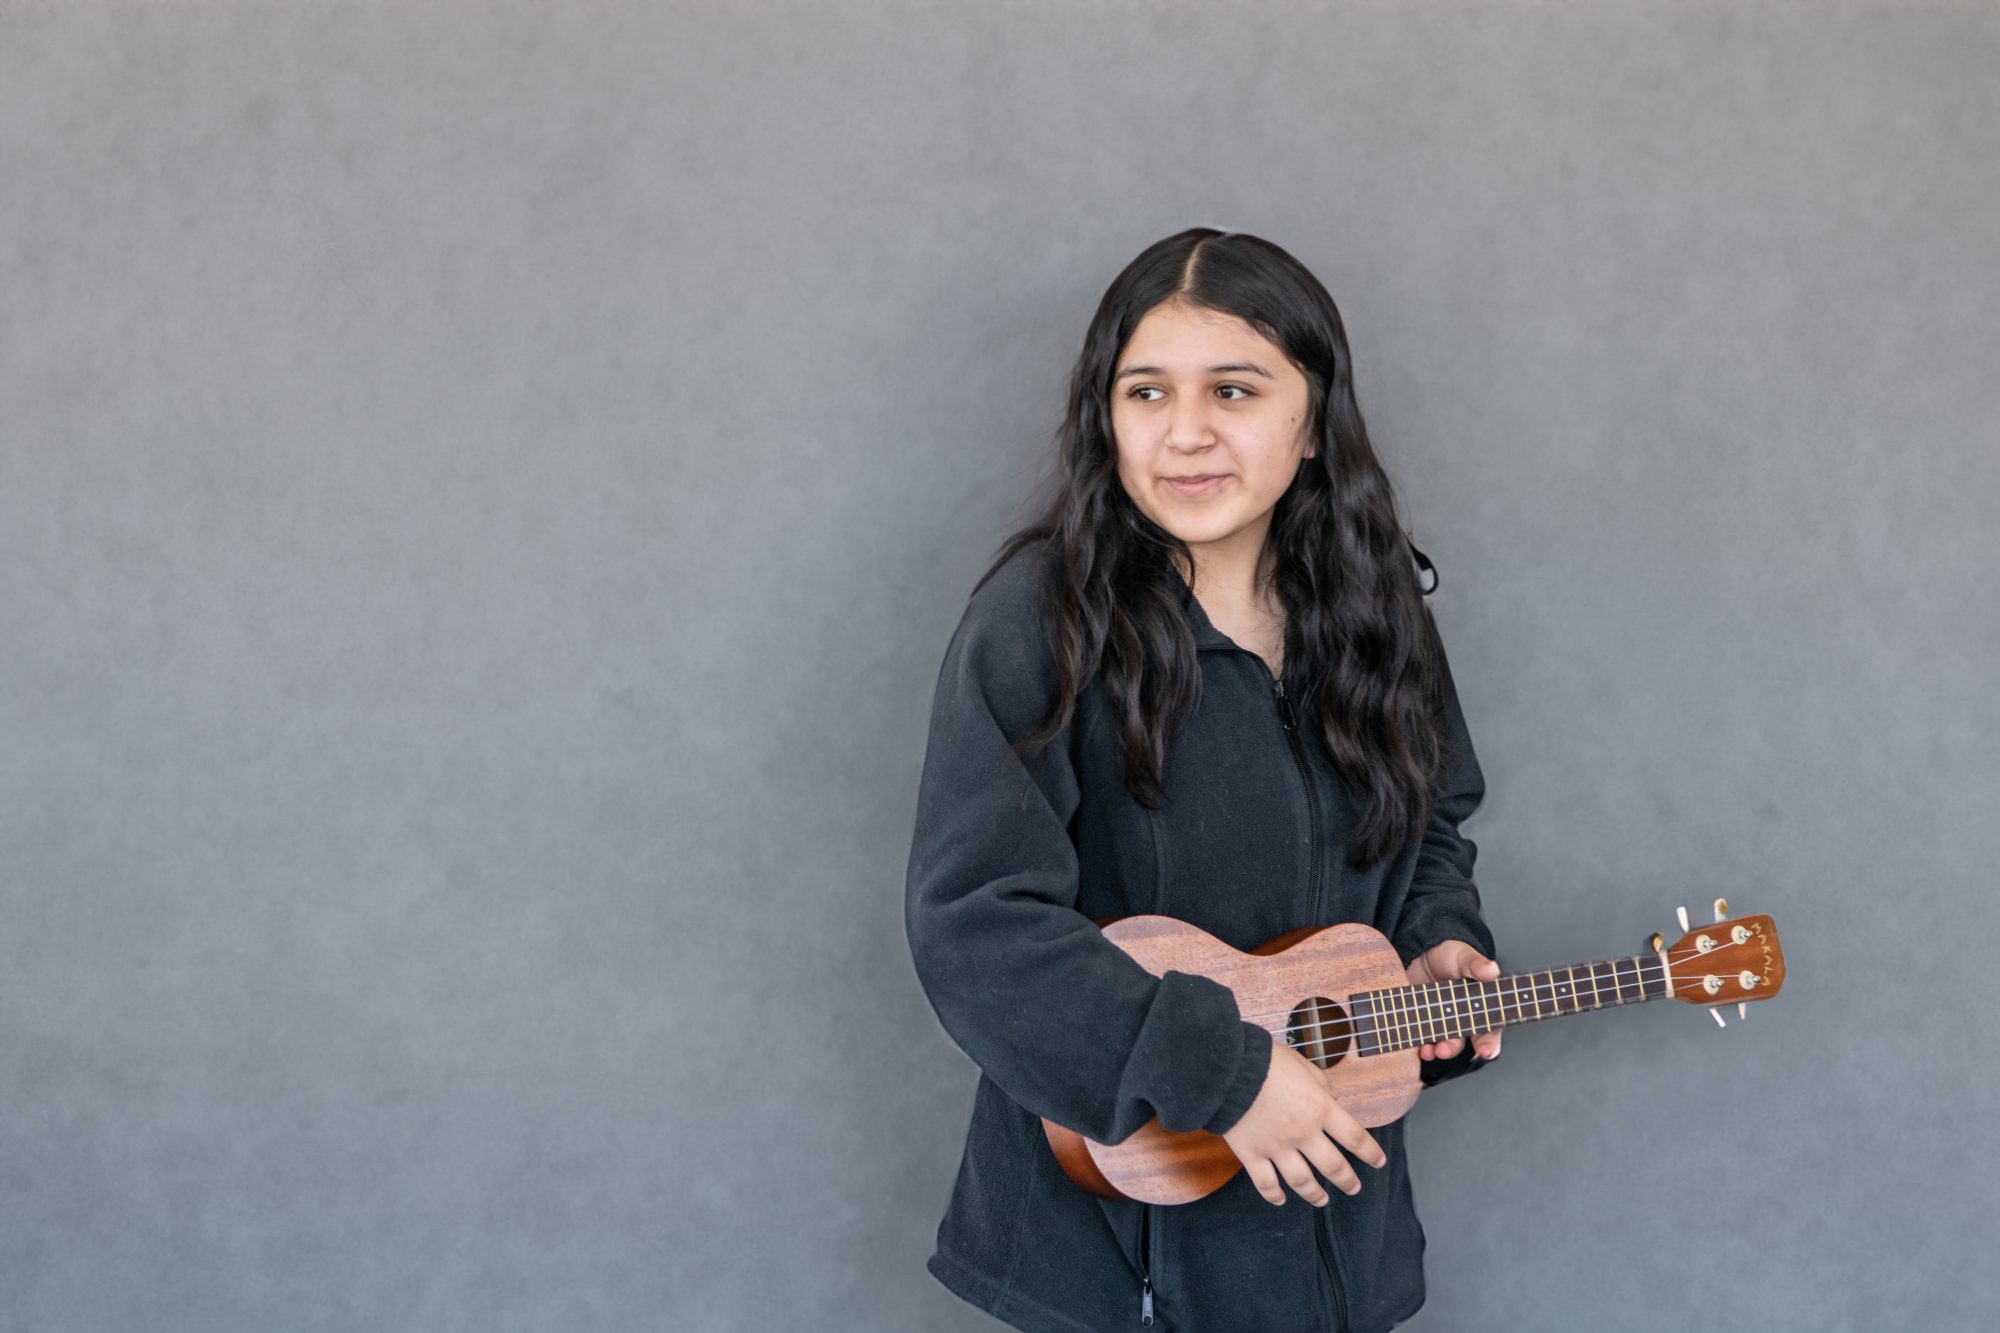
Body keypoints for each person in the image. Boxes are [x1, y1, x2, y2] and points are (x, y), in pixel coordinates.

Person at [904, 228, 1504, 1333]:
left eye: (1233, 389)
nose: (1184, 434)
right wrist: (1220, 1076)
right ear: (1106, 416)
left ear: (1312, 420)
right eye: (1145, 392)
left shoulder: (1376, 619)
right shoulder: (1039, 623)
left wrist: (1438, 932)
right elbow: (973, 924)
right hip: (1116, 1252)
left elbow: (1430, 825)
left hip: (1336, 1243)